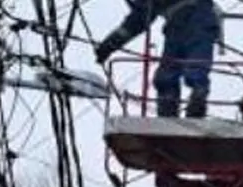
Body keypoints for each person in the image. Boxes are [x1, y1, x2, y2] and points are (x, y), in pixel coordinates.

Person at [93, 0, 223, 119]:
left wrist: (108, 46)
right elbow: (137, 21)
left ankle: (197, 99)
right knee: (166, 76)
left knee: (195, 64)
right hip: (177, 24)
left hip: (198, 16)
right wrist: (109, 45)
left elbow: (137, 20)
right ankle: (171, 113)